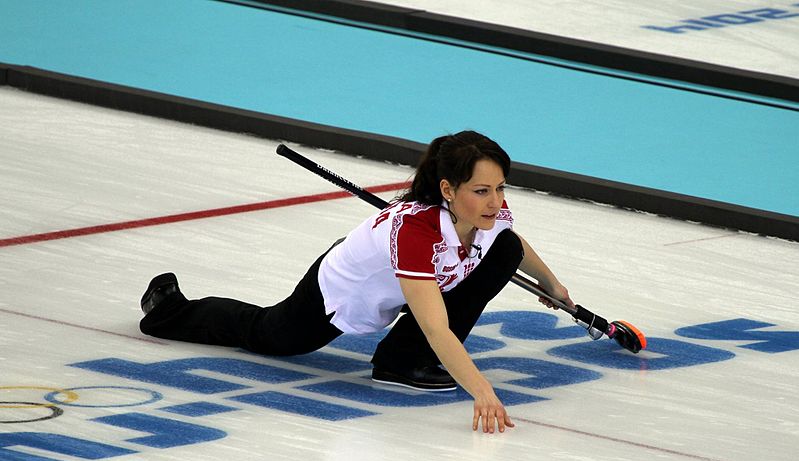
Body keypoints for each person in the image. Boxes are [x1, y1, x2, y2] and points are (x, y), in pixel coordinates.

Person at [139, 131, 574, 434]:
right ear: (447, 188)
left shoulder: (486, 211)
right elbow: (435, 325)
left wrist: (552, 284)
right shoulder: (416, 231)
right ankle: (170, 311)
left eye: (500, 188)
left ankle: (401, 362)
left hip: (422, 279)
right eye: (482, 190)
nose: (496, 201)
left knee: (505, 253)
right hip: (344, 290)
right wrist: (482, 390)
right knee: (271, 335)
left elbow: (509, 240)